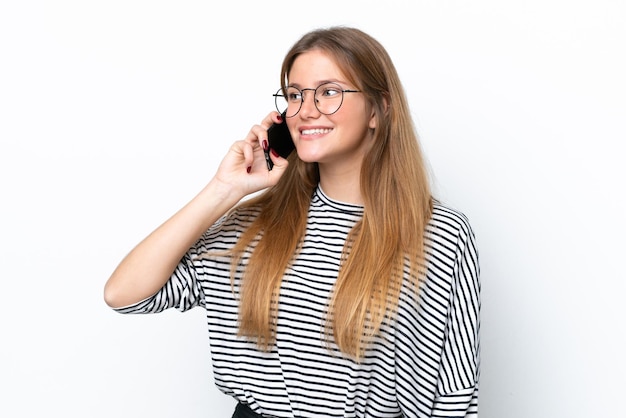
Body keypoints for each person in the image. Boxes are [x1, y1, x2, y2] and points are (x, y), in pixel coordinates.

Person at [104, 26, 480, 418]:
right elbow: (125, 294)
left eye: (329, 91)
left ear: (379, 108)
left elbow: (451, 397)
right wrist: (224, 189)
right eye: (295, 95)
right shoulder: (254, 225)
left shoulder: (439, 234)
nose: (306, 109)